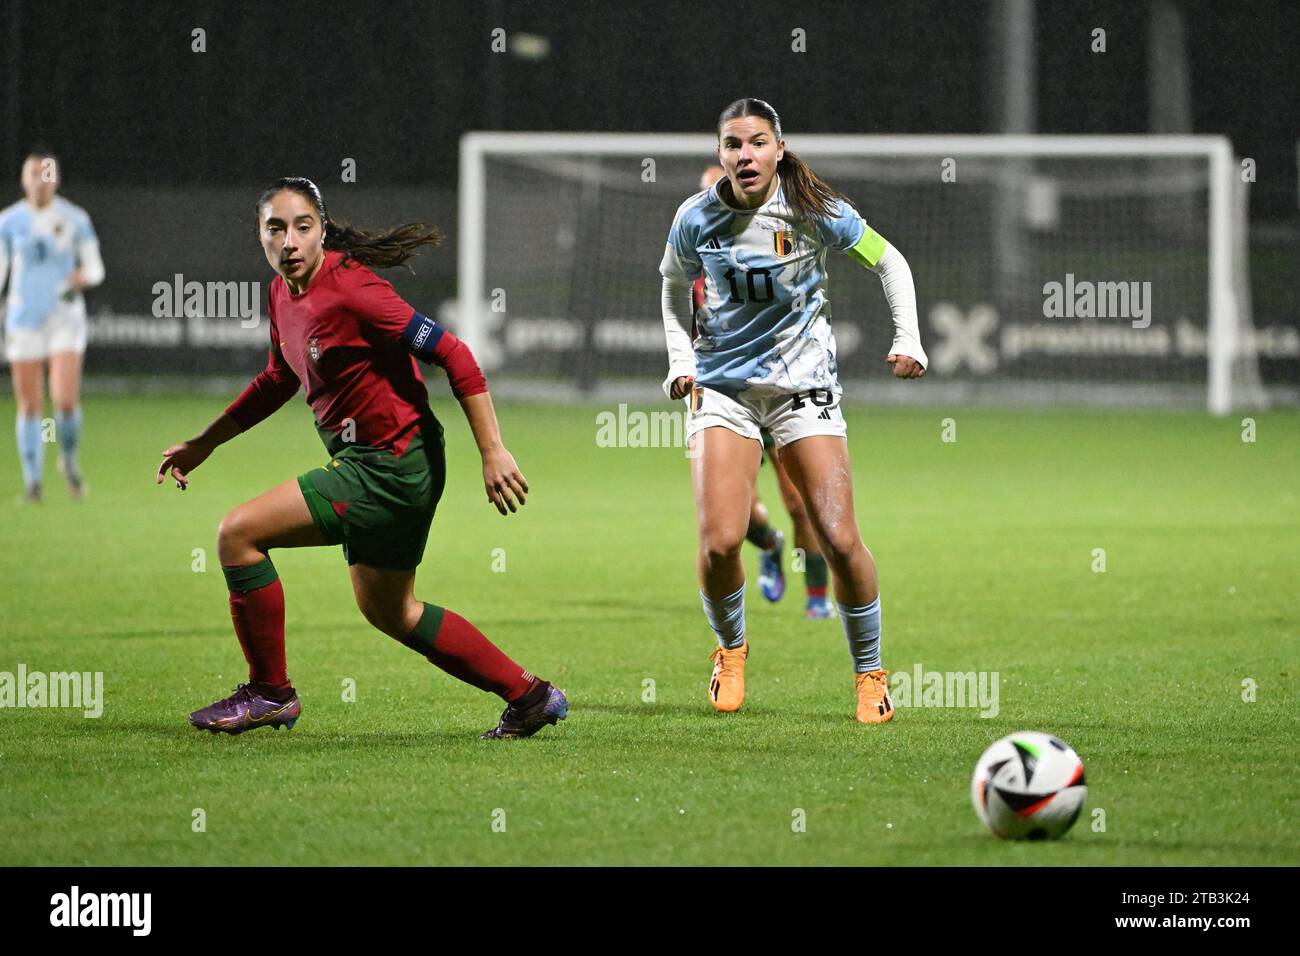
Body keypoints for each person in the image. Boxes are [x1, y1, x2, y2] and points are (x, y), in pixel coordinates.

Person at [158, 177, 566, 739]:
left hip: (390, 466)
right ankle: (530, 696)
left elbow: (455, 354)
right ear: (260, 235)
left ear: (322, 229)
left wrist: (493, 451)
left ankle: (270, 693)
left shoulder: (355, 290)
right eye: (275, 229)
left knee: (238, 535)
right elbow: (279, 378)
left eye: (302, 226)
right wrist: (206, 441)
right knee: (391, 612)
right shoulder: (282, 294)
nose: (289, 241)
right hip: (392, 463)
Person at [660, 99, 927, 723]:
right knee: (722, 541)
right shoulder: (696, 216)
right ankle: (730, 651)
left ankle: (870, 673)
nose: (743, 155)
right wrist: (680, 360)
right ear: (720, 153)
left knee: (837, 538)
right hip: (724, 388)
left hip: (804, 388)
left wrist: (907, 335)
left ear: (779, 148)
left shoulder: (813, 210)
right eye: (732, 145)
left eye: (756, 143)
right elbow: (673, 286)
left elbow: (889, 261)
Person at [693, 165, 837, 620]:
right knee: (737, 517)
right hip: (727, 398)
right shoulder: (699, 268)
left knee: (800, 502)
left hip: (782, 391)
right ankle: (771, 545)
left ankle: (817, 596)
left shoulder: (779, 247)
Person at [0, 150, 104, 501]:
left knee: (64, 399)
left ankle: (68, 461)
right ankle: (33, 483)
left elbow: (95, 268)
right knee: (30, 405)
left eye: (47, 174)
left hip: (64, 318)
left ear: (56, 179)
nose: (40, 180)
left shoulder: (75, 218)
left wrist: (83, 276)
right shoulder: (9, 221)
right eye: (34, 173)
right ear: (23, 179)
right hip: (24, 319)